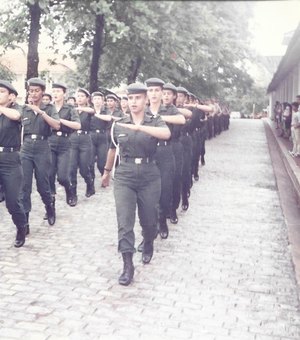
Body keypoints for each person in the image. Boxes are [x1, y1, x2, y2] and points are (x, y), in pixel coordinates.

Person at [101, 83, 171, 286]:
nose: (133, 102)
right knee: (124, 221)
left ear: (146, 100)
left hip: (149, 174)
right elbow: (113, 149)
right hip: (125, 175)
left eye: (138, 98)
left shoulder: (155, 120)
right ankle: (127, 264)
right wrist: (106, 173)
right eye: (130, 99)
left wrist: (140, 127)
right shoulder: (119, 123)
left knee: (149, 220)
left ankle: (148, 240)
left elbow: (166, 134)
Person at [20, 77, 60, 233]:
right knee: (24, 187)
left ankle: (49, 206)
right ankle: (25, 223)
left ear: (42, 92)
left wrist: (41, 112)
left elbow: (56, 125)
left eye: (37, 91)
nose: (34, 94)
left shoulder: (49, 108)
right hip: (26, 148)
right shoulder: (23, 109)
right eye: (31, 91)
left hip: (43, 148)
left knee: (43, 185)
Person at [0, 80, 27, 247]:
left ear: (11, 96)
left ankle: (21, 227)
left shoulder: (17, 109)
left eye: (1, 91)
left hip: (11, 160)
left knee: (12, 201)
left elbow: (16, 117)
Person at [49, 83, 81, 206]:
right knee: (49, 175)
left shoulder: (70, 108)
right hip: (50, 142)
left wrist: (59, 120)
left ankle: (69, 190)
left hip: (65, 143)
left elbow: (78, 125)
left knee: (62, 177)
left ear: (64, 94)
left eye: (58, 91)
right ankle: (50, 204)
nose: (55, 93)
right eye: (54, 91)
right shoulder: (48, 108)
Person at [69, 88, 95, 204]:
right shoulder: (72, 110)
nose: (79, 98)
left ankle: (89, 183)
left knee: (84, 168)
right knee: (72, 168)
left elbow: (92, 111)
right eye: (78, 96)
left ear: (87, 99)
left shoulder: (88, 110)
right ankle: (73, 195)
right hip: (73, 139)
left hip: (85, 139)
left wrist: (79, 108)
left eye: (82, 96)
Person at [90, 91, 110, 178]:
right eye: (95, 99)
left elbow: (109, 118)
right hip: (91, 136)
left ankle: (104, 176)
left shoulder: (106, 111)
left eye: (99, 99)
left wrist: (96, 115)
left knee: (102, 162)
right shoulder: (89, 111)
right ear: (92, 101)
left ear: (102, 101)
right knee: (90, 160)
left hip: (103, 136)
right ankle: (91, 180)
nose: (97, 101)